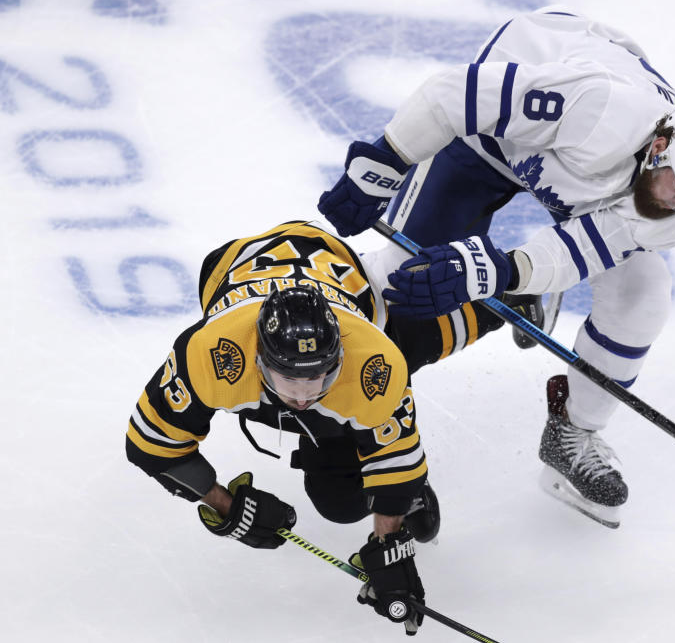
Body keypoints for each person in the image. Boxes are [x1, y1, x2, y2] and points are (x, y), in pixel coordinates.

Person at [316, 7, 675, 528]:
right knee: (398, 280)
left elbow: (579, 249)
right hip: (487, 141)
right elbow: (451, 96)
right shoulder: (599, 107)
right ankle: (320, 381)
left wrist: (502, 272)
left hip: (582, 181)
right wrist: (383, 163)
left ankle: (574, 432)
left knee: (644, 292)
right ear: (660, 147)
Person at [125, 220, 506, 635]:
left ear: (339, 354)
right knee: (357, 431)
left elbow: (396, 459)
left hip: (346, 282)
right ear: (258, 358)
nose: (304, 396)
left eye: (318, 377)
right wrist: (226, 505)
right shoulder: (212, 355)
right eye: (291, 379)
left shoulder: (370, 360)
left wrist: (388, 543)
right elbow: (151, 445)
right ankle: (479, 309)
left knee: (398, 352)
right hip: (237, 263)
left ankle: (504, 301)